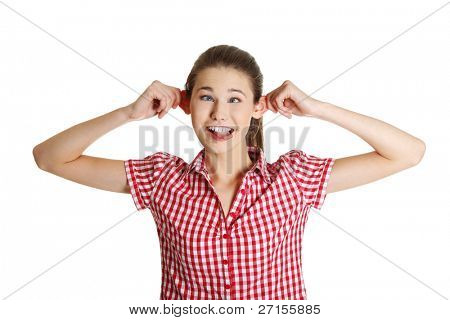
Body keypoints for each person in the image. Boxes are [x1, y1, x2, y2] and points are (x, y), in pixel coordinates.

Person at [32, 44, 426, 300]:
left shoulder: (293, 179)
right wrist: (128, 113)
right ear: (187, 106)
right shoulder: (161, 180)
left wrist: (317, 107)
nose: (220, 113)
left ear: (258, 107)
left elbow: (408, 153)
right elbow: (49, 158)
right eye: (206, 97)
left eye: (235, 99)